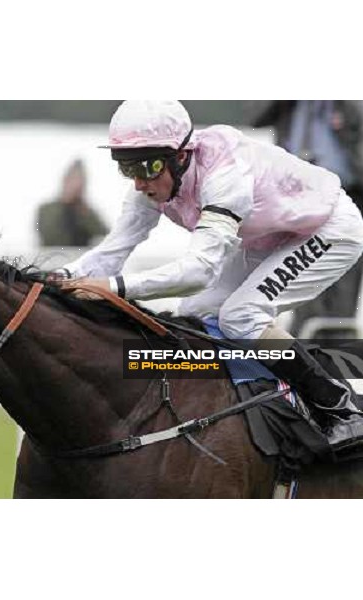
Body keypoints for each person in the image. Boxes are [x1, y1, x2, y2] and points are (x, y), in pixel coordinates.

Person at [59, 100, 363, 451]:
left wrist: (114, 289)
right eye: (127, 169)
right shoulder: (152, 183)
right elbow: (113, 252)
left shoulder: (224, 175)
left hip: (330, 229)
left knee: (241, 315)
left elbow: (200, 270)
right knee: (194, 314)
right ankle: (244, 405)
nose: (140, 182)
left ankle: (339, 409)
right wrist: (61, 277)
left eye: (148, 166)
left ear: (182, 156)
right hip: (274, 232)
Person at [253, 101, 363, 337]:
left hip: (347, 196)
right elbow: (255, 117)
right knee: (302, 278)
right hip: (299, 199)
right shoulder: (290, 104)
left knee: (342, 285)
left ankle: (337, 350)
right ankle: (305, 351)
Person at [37, 159, 109, 246]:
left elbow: (105, 234)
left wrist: (83, 213)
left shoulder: (86, 211)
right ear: (65, 180)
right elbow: (48, 236)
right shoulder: (46, 209)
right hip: (53, 257)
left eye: (80, 181)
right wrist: (67, 201)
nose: (76, 185)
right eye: (74, 179)